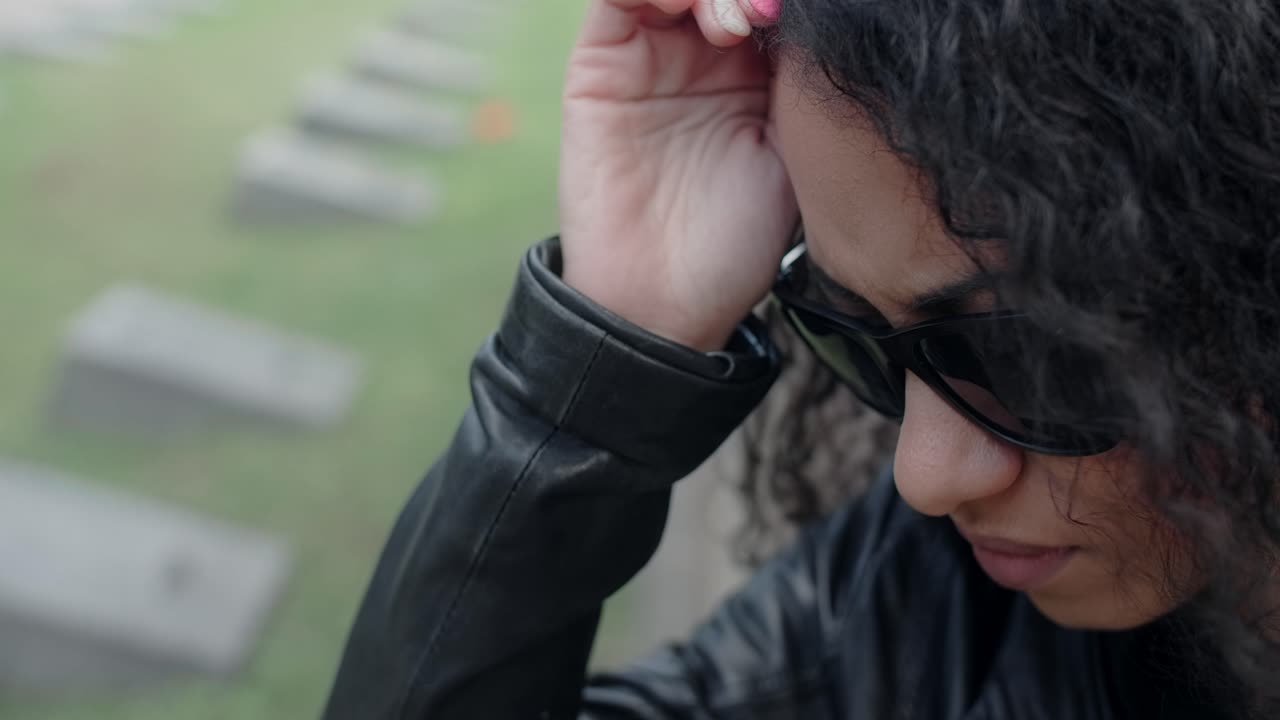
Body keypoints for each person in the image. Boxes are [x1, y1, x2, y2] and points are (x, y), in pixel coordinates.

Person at [322, 0, 1280, 717]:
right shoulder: (932, 606)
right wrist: (604, 342)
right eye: (846, 330)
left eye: (1036, 361)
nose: (925, 477)